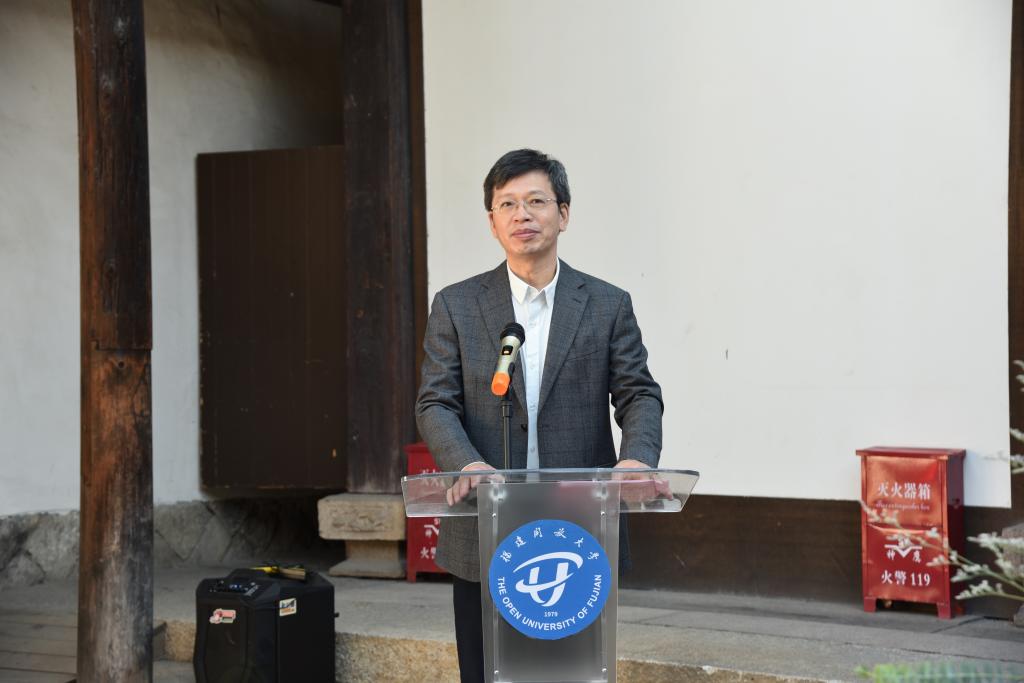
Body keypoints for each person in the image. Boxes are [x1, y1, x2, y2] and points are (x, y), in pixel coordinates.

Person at [415, 148, 663, 683]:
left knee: (570, 672)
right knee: (483, 671)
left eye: (535, 201)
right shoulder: (456, 305)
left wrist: (637, 459)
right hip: (484, 519)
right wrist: (467, 464)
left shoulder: (606, 304)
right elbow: (435, 402)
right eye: (506, 204)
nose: (521, 215)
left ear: (563, 213)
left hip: (577, 524)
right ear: (492, 222)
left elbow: (639, 393)